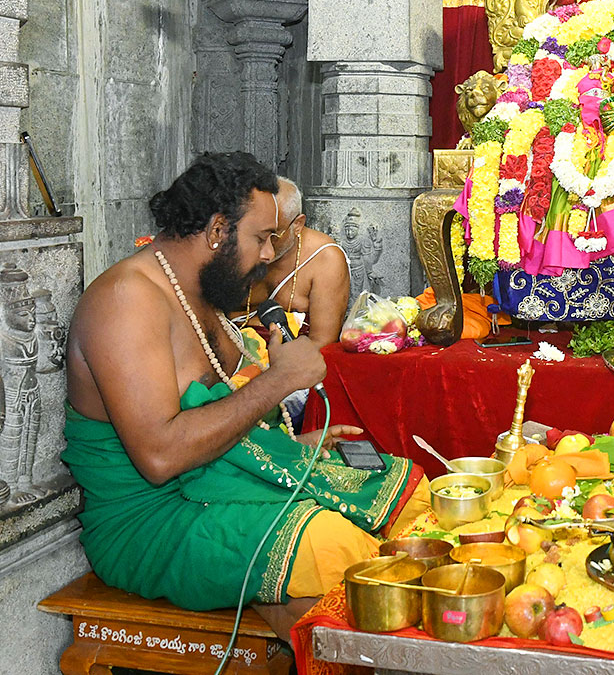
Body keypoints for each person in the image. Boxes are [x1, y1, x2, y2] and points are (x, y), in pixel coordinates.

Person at [62, 152, 426, 634]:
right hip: (153, 520)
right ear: (217, 231)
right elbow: (159, 455)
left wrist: (286, 449)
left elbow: (215, 416)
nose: (270, 254)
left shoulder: (202, 293)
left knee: (408, 496)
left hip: (218, 478)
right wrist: (277, 382)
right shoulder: (126, 300)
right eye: (261, 238)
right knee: (333, 544)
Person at [237, 176, 350, 349]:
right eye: (257, 236)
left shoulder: (325, 258)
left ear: (297, 224)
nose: (264, 250)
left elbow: (321, 343)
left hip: (293, 363)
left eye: (273, 236)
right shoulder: (234, 244)